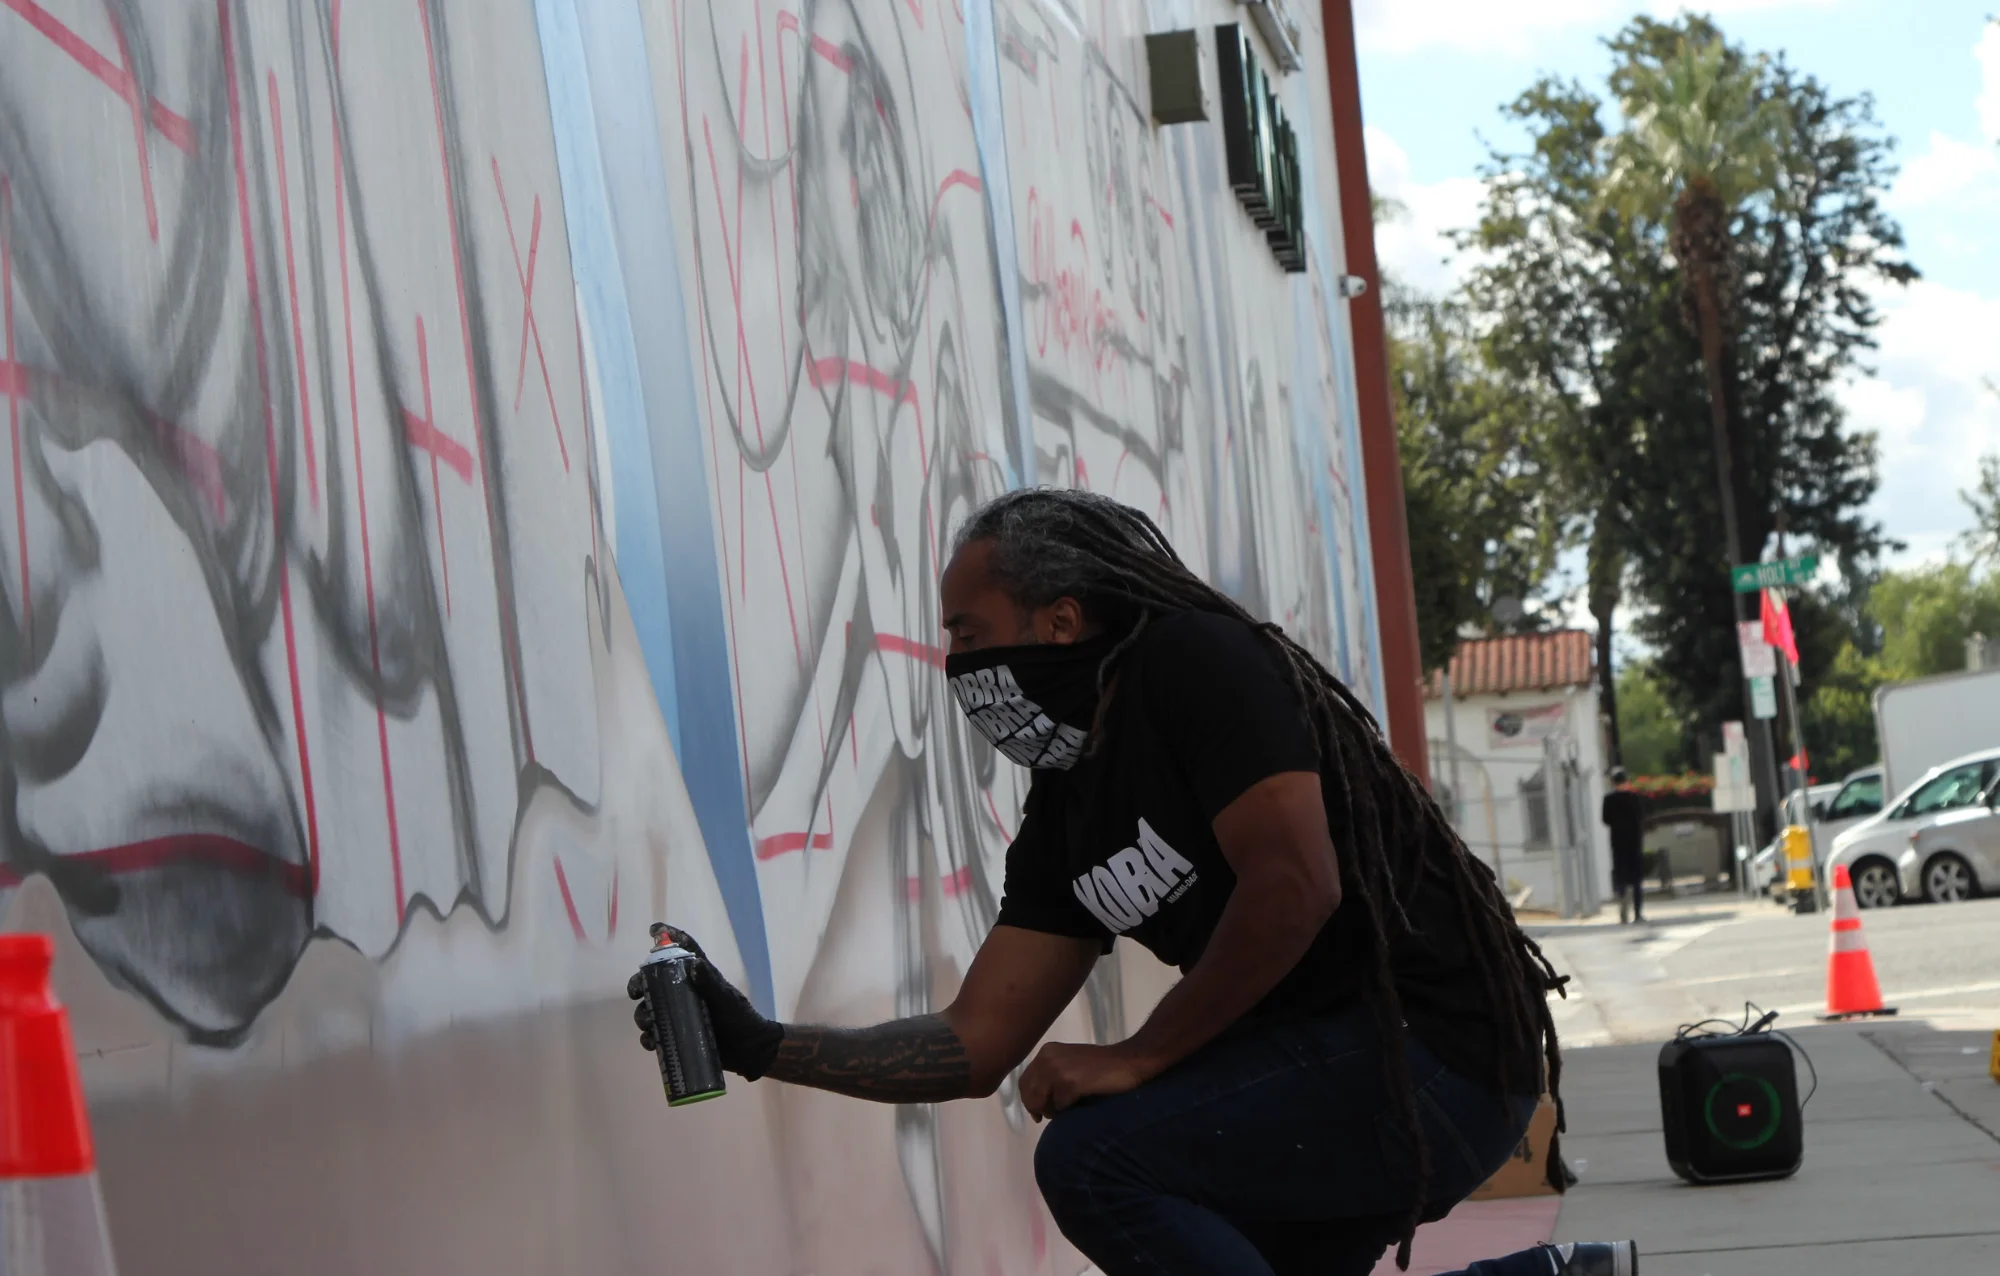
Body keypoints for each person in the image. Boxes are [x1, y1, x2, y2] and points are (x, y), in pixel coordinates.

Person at [632, 490, 1638, 1276]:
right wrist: (760, 1043)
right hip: (1338, 1070)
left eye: (967, 633)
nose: (953, 665)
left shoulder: (1196, 666)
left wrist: (1139, 1055)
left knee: (1097, 1157)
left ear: (1061, 620)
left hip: (1441, 1054)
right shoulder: (1067, 808)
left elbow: (1295, 884)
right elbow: (974, 1040)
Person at [1601, 769, 1648, 925]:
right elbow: (1641, 817)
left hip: (1617, 842)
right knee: (1636, 880)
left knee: (1621, 878)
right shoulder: (1634, 798)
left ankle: (1623, 909)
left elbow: (1605, 820)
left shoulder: (1609, 799)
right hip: (1634, 842)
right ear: (1627, 782)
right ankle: (1638, 913)